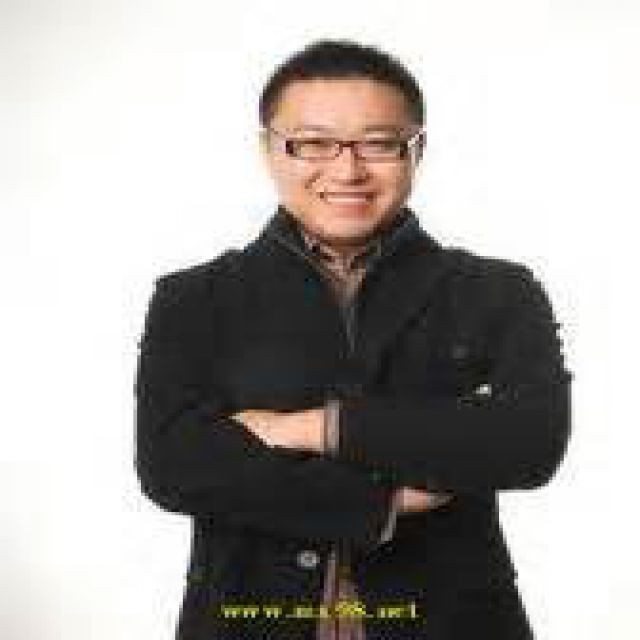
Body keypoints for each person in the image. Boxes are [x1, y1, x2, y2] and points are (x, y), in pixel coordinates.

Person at [134, 39, 572, 640]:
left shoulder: (497, 291)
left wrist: (311, 428)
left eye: (378, 143)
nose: (347, 170)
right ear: (269, 149)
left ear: (417, 150)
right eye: (313, 143)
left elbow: (528, 442)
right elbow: (174, 466)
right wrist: (381, 503)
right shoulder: (193, 299)